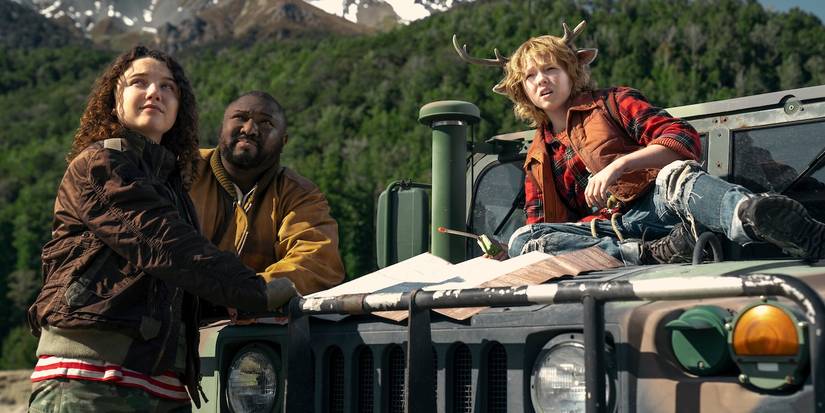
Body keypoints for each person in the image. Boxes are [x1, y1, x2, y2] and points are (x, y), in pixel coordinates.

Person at [26, 47, 297, 412]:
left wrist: (225, 302)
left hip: (162, 382)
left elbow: (170, 281)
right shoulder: (101, 165)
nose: (155, 92)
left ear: (179, 108)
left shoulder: (171, 186)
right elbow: (164, 245)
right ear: (113, 99)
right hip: (90, 378)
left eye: (168, 87)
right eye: (140, 82)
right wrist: (252, 290)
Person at [454, 21, 825, 264]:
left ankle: (763, 220)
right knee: (525, 239)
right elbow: (547, 227)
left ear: (572, 71)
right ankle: (646, 255)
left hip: (657, 208)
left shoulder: (611, 102)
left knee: (677, 174)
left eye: (551, 68)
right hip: (601, 234)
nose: (542, 80)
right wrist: (505, 256)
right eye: (531, 76)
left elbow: (682, 139)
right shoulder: (537, 156)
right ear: (522, 91)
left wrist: (619, 165)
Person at [188, 91, 345, 317]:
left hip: (254, 335)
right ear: (221, 127)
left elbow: (317, 262)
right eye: (240, 117)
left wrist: (249, 292)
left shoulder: (300, 195)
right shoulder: (184, 172)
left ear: (284, 141)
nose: (249, 129)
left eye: (266, 123)